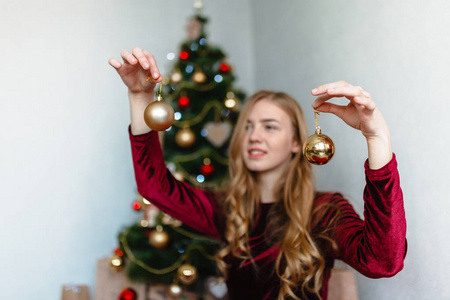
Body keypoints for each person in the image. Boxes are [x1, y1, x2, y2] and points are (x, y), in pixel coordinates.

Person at [109, 47, 407, 300]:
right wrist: (139, 97)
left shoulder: (325, 211)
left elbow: (383, 261)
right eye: (248, 126)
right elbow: (154, 188)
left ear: (295, 143)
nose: (254, 136)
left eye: (270, 126)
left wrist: (376, 139)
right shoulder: (227, 208)